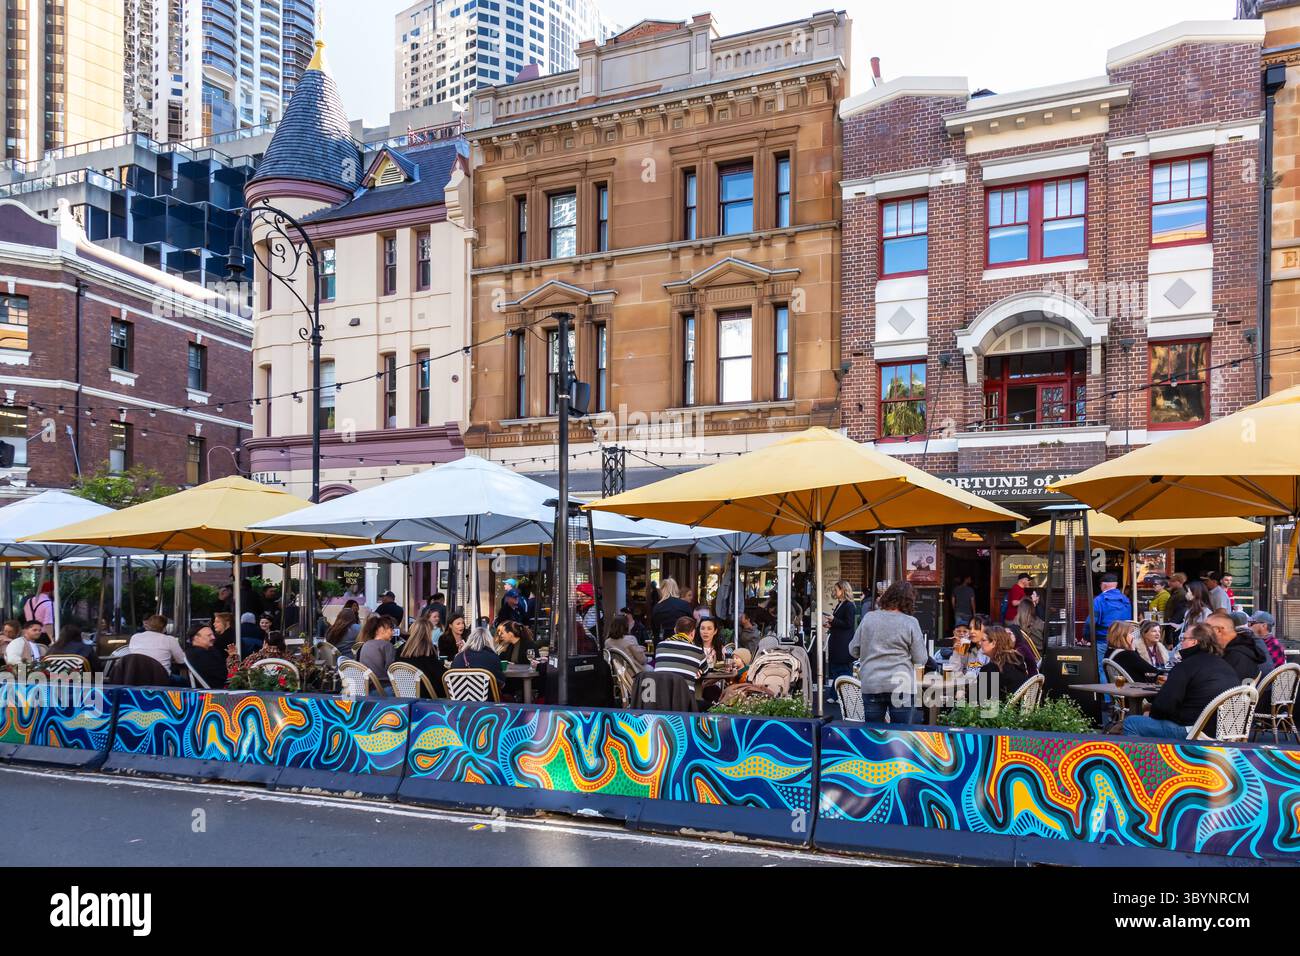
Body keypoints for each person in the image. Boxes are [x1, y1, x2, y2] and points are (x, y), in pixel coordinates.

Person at [1123, 623, 1239, 739]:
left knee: (1131, 723)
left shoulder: (1186, 666)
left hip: (1195, 731)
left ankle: (1147, 757)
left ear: (1194, 642)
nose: (1181, 643)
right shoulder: (1226, 666)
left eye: (1183, 639)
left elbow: (1163, 706)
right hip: (1226, 731)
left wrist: (1151, 712)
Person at [848, 582, 928, 725]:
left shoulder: (869, 618)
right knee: (901, 736)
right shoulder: (910, 622)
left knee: (873, 736)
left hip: (872, 683)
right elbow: (921, 659)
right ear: (909, 601)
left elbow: (853, 650)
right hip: (901, 685)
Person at [651, 616, 708, 695]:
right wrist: (697, 670)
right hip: (684, 699)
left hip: (660, 697)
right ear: (693, 633)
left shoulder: (660, 646)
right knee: (707, 705)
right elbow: (705, 669)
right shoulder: (698, 651)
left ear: (675, 630)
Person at [1208, 610, 1266, 685]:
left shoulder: (1235, 655)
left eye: (1206, 629)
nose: (1204, 633)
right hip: (1260, 690)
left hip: (1238, 694)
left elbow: (1223, 687)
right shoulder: (1250, 644)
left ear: (1219, 630)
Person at [975, 625, 1030, 702]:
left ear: (993, 643)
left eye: (983, 640)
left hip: (1000, 712)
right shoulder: (1017, 662)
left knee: (952, 700)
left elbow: (978, 702)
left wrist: (960, 695)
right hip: (1018, 710)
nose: (979, 643)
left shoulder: (991, 669)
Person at [1092, 572, 1132, 672]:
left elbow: (1091, 621)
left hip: (1103, 640)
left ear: (1103, 585)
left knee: (1102, 668)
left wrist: (1087, 637)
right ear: (1116, 585)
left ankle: (1105, 687)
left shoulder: (1098, 600)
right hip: (1123, 640)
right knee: (1121, 669)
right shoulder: (1125, 599)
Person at [397, 617, 445, 695]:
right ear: (428, 632)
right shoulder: (429, 649)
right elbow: (439, 673)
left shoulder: (401, 649)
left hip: (404, 691)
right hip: (427, 692)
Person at [826, 580, 857, 690]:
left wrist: (834, 620)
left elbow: (848, 624)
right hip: (838, 642)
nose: (834, 591)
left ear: (843, 590)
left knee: (843, 670)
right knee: (837, 669)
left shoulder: (849, 606)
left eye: (836, 589)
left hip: (843, 643)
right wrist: (831, 624)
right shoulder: (840, 604)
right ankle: (836, 694)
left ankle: (845, 693)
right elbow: (841, 622)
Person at [357, 615, 397, 688]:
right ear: (382, 630)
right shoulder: (387, 645)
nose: (393, 632)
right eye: (391, 629)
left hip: (366, 686)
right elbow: (391, 669)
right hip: (383, 687)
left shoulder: (366, 644)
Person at [185, 624, 228, 689]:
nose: (213, 637)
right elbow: (223, 674)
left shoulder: (198, 651)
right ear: (196, 638)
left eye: (213, 635)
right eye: (209, 635)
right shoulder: (198, 654)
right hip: (216, 694)